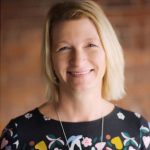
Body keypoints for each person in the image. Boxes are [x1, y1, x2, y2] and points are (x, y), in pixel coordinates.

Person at [0, 0, 150, 149]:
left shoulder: (138, 132)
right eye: (64, 48)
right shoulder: (18, 135)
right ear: (50, 58)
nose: (78, 60)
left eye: (91, 45)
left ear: (108, 52)